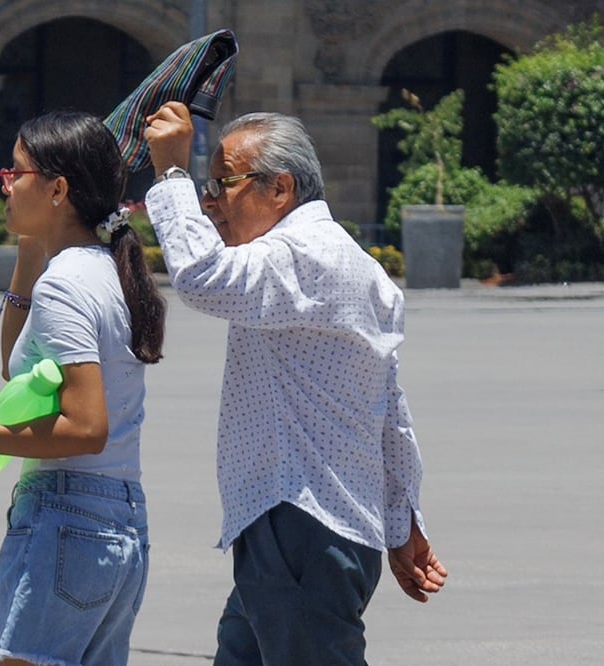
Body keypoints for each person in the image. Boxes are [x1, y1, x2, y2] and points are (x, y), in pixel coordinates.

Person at [142, 101, 447, 665]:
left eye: (222, 184)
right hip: (305, 527)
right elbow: (389, 411)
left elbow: (202, 278)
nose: (211, 205)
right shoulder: (353, 263)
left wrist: (172, 174)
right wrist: (401, 522)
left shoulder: (304, 255)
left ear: (279, 188)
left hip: (301, 524)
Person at [0, 110, 166, 666]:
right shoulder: (96, 268)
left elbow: (86, 426)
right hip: (115, 521)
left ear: (58, 189)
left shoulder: (66, 284)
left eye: (15, 173)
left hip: (69, 517)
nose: (6, 184)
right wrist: (29, 253)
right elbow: (18, 369)